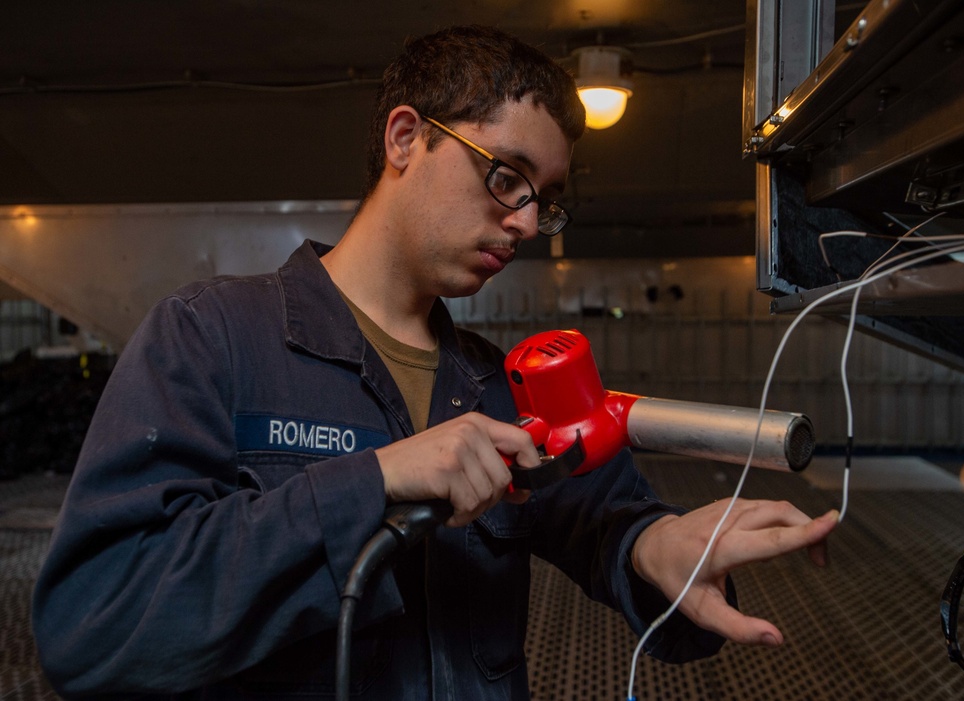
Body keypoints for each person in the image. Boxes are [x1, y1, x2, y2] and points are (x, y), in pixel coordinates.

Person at [32, 24, 838, 700]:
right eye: (505, 176)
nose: (525, 223)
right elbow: (94, 622)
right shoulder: (213, 337)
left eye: (544, 199)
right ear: (406, 137)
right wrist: (374, 480)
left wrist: (655, 547)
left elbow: (605, 518)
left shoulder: (495, 383)